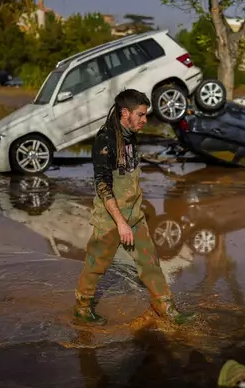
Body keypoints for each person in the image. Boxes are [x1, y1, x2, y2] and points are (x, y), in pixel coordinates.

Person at [74, 88, 195, 326]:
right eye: (140, 114)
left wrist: (134, 216)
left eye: (145, 114)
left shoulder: (130, 136)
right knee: (95, 266)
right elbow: (103, 186)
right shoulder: (105, 140)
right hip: (110, 219)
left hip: (134, 215)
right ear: (125, 113)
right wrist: (120, 224)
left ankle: (165, 307)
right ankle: (82, 308)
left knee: (150, 262)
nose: (144, 119)